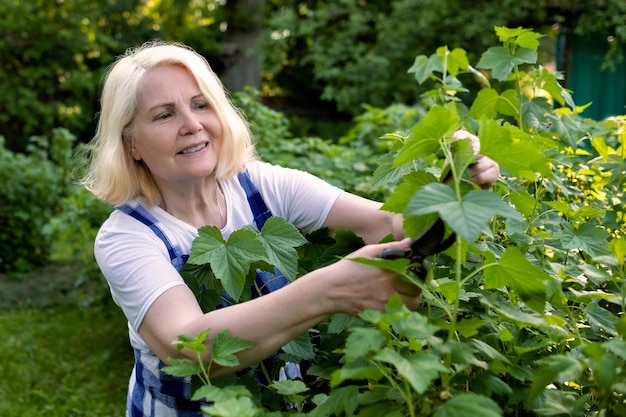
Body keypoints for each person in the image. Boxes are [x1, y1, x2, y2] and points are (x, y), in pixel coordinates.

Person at [80, 40, 500, 417]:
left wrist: (452, 186)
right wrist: (329, 289)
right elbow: (190, 348)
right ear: (131, 144)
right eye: (165, 114)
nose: (192, 124)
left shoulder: (260, 185)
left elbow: (386, 223)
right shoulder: (127, 237)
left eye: (201, 104)